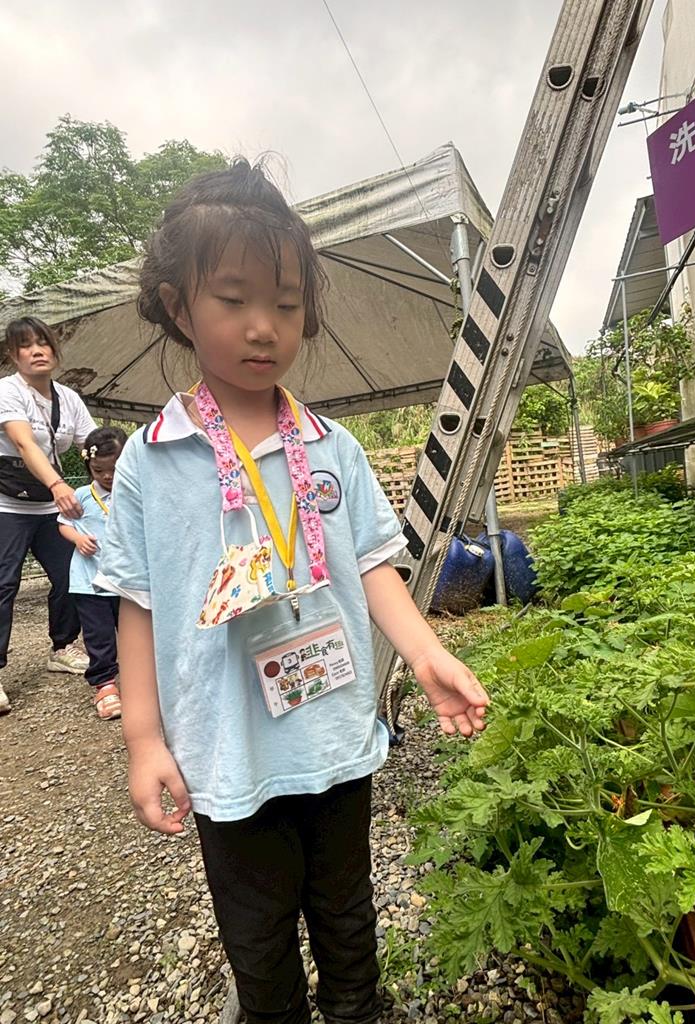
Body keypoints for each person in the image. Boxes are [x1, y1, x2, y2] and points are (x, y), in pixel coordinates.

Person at [94, 159, 489, 1024]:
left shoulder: (332, 447)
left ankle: (358, 1009)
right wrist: (144, 741)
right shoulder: (150, 461)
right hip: (225, 749)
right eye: (232, 298)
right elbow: (137, 607)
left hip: (333, 729)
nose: (262, 326)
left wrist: (426, 654)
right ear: (177, 305)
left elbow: (374, 566)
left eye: (285, 302)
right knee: (257, 931)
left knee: (347, 910)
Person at [0, 317, 96, 716]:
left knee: (73, 572)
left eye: (43, 343)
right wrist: (59, 485)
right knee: (4, 582)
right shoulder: (8, 391)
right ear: (13, 355)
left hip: (48, 506)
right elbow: (24, 443)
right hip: (8, 504)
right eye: (26, 345)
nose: (37, 350)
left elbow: (93, 445)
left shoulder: (68, 398)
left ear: (55, 351)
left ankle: (63, 646)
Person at [58, 426, 127, 721]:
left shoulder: (134, 492)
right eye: (99, 470)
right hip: (89, 581)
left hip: (127, 581)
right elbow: (63, 524)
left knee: (134, 633)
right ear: (89, 466)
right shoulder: (81, 495)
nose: (108, 476)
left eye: (115, 469)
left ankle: (140, 679)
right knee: (99, 635)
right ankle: (105, 684)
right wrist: (77, 539)